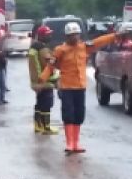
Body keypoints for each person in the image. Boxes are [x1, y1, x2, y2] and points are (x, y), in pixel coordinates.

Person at [38, 21, 118, 154]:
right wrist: (43, 78)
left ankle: (76, 143)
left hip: (80, 87)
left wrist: (114, 36)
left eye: (76, 35)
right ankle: (69, 143)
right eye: (72, 35)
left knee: (79, 114)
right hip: (67, 87)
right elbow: (51, 65)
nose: (75, 37)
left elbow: (98, 42)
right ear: (67, 37)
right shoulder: (60, 50)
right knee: (68, 114)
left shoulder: (84, 47)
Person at [28, 32, 59, 135]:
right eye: (47, 34)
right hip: (45, 82)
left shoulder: (33, 48)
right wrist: (55, 80)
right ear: (41, 36)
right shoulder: (43, 49)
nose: (50, 36)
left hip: (37, 82)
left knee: (40, 104)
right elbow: (49, 66)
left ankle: (38, 126)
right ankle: (46, 127)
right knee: (46, 105)